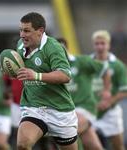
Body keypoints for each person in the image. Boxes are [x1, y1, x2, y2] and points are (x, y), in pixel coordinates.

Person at [15, 12, 78, 150]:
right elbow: (19, 72)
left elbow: (65, 75)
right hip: (34, 107)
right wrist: (11, 70)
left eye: (26, 31)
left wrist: (36, 76)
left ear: (40, 31)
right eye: (21, 30)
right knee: (22, 144)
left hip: (60, 111)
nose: (22, 35)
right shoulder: (20, 45)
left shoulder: (53, 47)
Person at [57, 38, 111, 150]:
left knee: (67, 132)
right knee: (95, 147)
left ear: (66, 48)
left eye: (61, 48)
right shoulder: (52, 67)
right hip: (66, 111)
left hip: (85, 107)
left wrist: (106, 90)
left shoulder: (82, 61)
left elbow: (105, 69)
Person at [91, 30, 127, 150]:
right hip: (91, 111)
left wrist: (109, 102)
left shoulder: (117, 65)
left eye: (103, 43)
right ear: (93, 45)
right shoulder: (87, 63)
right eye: (97, 43)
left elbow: (124, 90)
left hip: (111, 112)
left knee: (118, 146)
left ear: (109, 45)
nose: (100, 47)